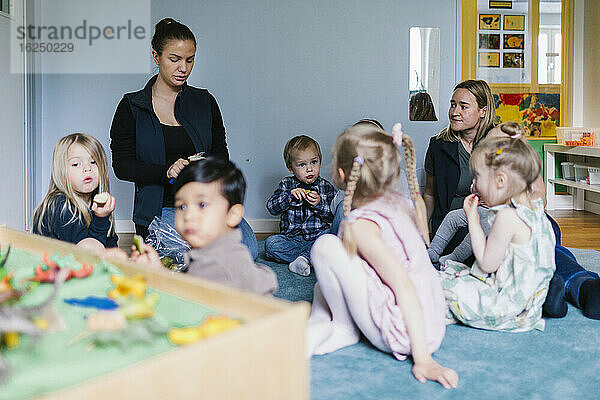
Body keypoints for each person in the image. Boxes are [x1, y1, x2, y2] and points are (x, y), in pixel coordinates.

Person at [307, 124, 458, 389]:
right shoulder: (398, 201)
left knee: (325, 247)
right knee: (324, 282)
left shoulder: (362, 224)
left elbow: (403, 284)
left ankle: (344, 329)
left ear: (342, 175)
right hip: (430, 321)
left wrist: (423, 358)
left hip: (404, 333)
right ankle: (320, 320)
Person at [110, 17, 258, 259]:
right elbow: (122, 166)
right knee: (191, 258)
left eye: (190, 60)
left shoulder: (205, 102)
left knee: (247, 252)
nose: (183, 68)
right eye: (174, 59)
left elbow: (222, 157)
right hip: (162, 209)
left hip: (207, 203)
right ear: (156, 57)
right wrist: (166, 171)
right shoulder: (131, 106)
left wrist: (203, 167)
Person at [439, 135, 555, 331]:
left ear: (500, 181)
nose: (474, 184)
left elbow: (486, 264)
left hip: (505, 308)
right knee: (454, 272)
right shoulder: (535, 210)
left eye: (478, 177)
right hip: (530, 307)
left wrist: (473, 220)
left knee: (440, 284)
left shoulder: (507, 217)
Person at [131, 158, 278, 296]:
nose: (188, 215)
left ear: (232, 214)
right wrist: (157, 269)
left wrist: (155, 278)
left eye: (202, 205)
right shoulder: (211, 253)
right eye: (182, 206)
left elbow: (186, 302)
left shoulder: (217, 265)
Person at [423, 80, 496, 253]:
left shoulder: (499, 142)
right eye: (453, 105)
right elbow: (429, 194)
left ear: (483, 112)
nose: (455, 112)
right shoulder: (438, 145)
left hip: (492, 224)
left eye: (463, 107)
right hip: (451, 229)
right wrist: (423, 231)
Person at [32, 133, 118, 253]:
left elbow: (111, 247)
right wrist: (100, 219)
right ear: (61, 170)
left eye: (93, 162)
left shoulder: (97, 204)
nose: (87, 168)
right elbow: (88, 255)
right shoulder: (60, 206)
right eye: (76, 164)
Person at [265, 135, 336, 276]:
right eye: (302, 165)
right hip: (291, 240)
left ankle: (303, 259)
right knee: (270, 245)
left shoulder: (325, 186)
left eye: (314, 162)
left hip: (316, 237)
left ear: (320, 162)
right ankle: (309, 258)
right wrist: (289, 197)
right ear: (291, 168)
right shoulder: (287, 184)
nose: (309, 169)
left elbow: (332, 216)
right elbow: (272, 207)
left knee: (331, 237)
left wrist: (319, 204)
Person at [329, 119, 411, 235]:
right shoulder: (352, 173)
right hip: (351, 229)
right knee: (342, 207)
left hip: (383, 227)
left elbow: (404, 208)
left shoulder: (396, 173)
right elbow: (335, 209)